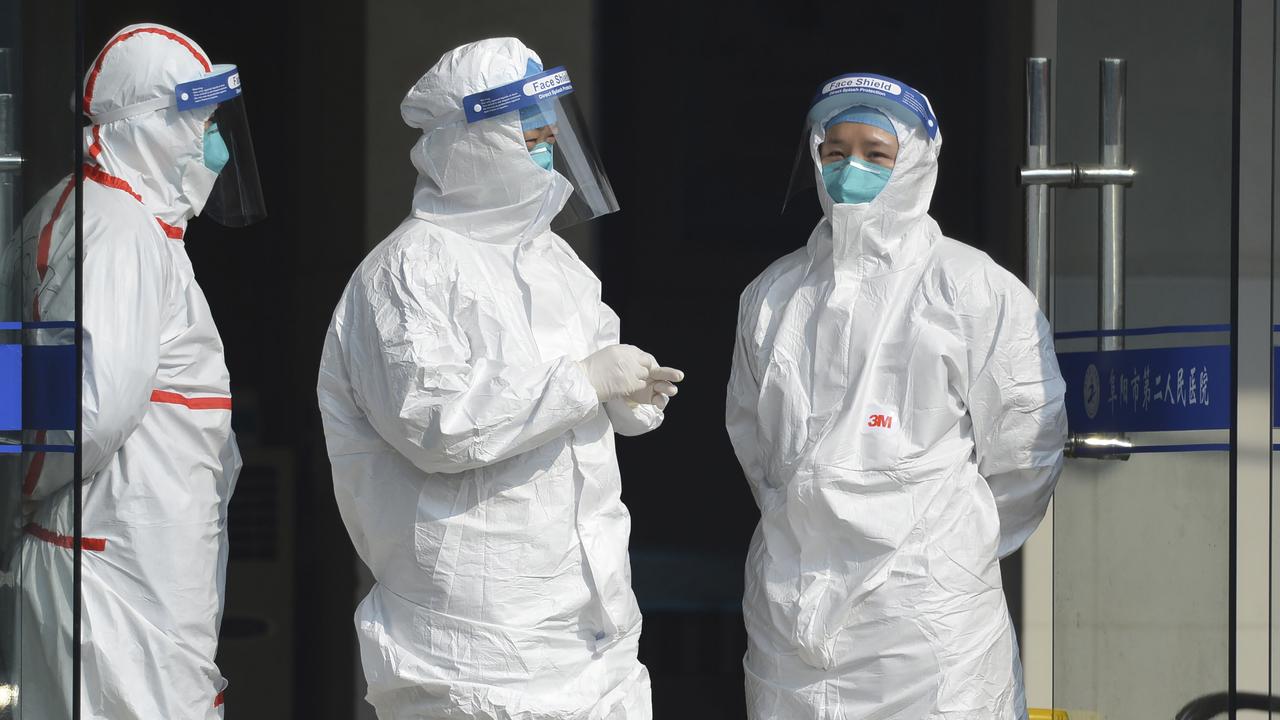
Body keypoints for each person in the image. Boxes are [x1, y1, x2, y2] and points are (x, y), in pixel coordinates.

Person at [317, 37, 681, 720]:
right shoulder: (408, 272)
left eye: (553, 134)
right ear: (469, 142)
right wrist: (581, 383)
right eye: (530, 136)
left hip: (588, 619)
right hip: (472, 637)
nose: (548, 154)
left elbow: (592, 373)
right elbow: (439, 427)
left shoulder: (556, 263)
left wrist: (626, 398)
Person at [726, 72, 1067, 719]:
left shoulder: (972, 288)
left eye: (876, 154)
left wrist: (946, 547)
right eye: (834, 152)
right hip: (793, 616)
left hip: (928, 624)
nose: (851, 169)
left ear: (915, 161)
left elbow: (1026, 448)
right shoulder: (772, 295)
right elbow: (757, 444)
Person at [13, 23, 265, 719]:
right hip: (115, 582)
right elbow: (85, 410)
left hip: (135, 575)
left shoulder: (119, 223)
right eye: (200, 121)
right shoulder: (117, 229)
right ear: (149, 126)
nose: (215, 144)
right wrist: (21, 489)